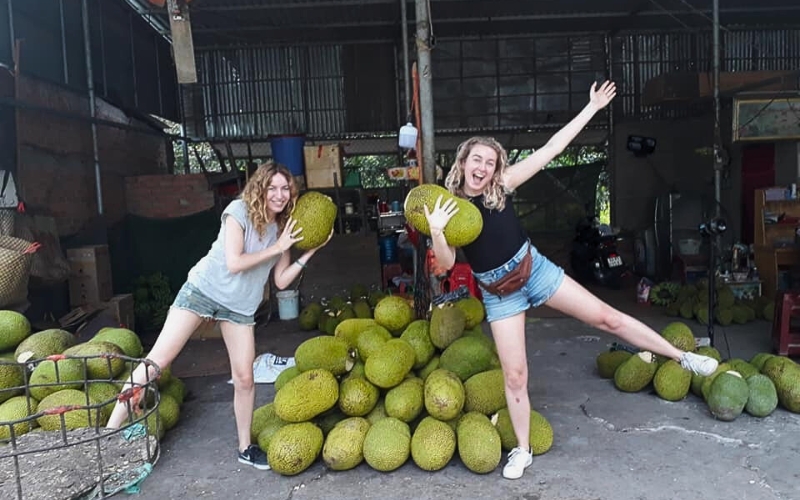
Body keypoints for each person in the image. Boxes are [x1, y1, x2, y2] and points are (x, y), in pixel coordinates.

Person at [423, 81, 719, 480]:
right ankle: (523, 450)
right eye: (477, 159)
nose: (482, 168)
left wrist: (592, 107)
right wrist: (438, 230)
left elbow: (551, 150)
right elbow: (444, 264)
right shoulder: (446, 205)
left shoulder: (503, 186)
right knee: (515, 375)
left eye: (489, 163)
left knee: (607, 318)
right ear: (462, 161)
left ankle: (681, 356)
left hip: (535, 270)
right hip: (498, 293)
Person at [105, 162, 332, 470]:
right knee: (157, 362)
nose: (279, 195)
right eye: (272, 187)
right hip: (203, 291)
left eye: (285, 189)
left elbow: (280, 281)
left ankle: (245, 447)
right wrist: (277, 247)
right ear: (260, 188)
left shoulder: (283, 229)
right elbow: (235, 262)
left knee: (245, 378)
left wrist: (308, 252)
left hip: (239, 307)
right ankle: (108, 435)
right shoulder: (239, 212)